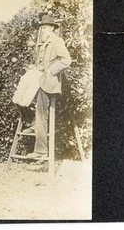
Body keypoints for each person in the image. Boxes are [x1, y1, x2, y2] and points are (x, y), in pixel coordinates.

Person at [27, 15, 71, 159]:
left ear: (52, 28)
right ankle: (32, 123)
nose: (42, 30)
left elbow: (66, 60)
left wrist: (51, 70)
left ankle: (41, 150)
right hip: (41, 79)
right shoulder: (44, 44)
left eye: (44, 27)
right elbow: (42, 63)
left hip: (49, 83)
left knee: (40, 113)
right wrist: (34, 67)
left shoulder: (56, 41)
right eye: (41, 28)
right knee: (21, 98)